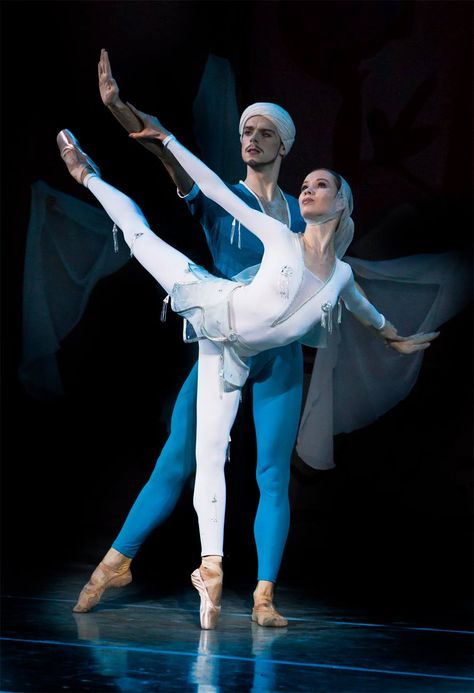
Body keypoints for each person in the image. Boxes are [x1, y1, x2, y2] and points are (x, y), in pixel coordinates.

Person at [56, 122, 437, 629]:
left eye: (321, 185)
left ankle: (261, 595)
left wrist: (394, 336)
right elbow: (209, 187)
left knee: (267, 474)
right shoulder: (276, 231)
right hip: (216, 314)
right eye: (307, 183)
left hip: (260, 355)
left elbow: (363, 307)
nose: (308, 187)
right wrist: (166, 140)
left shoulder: (340, 272)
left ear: (343, 202)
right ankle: (89, 177)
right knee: (141, 236)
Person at [72, 50, 307, 629]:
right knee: (177, 458)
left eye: (264, 133)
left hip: (278, 355)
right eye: (246, 131)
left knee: (272, 474)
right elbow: (163, 151)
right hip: (224, 347)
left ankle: (264, 596)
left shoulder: (304, 214)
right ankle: (117, 560)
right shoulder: (220, 198)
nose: (251, 138)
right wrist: (121, 110)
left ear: (283, 146)